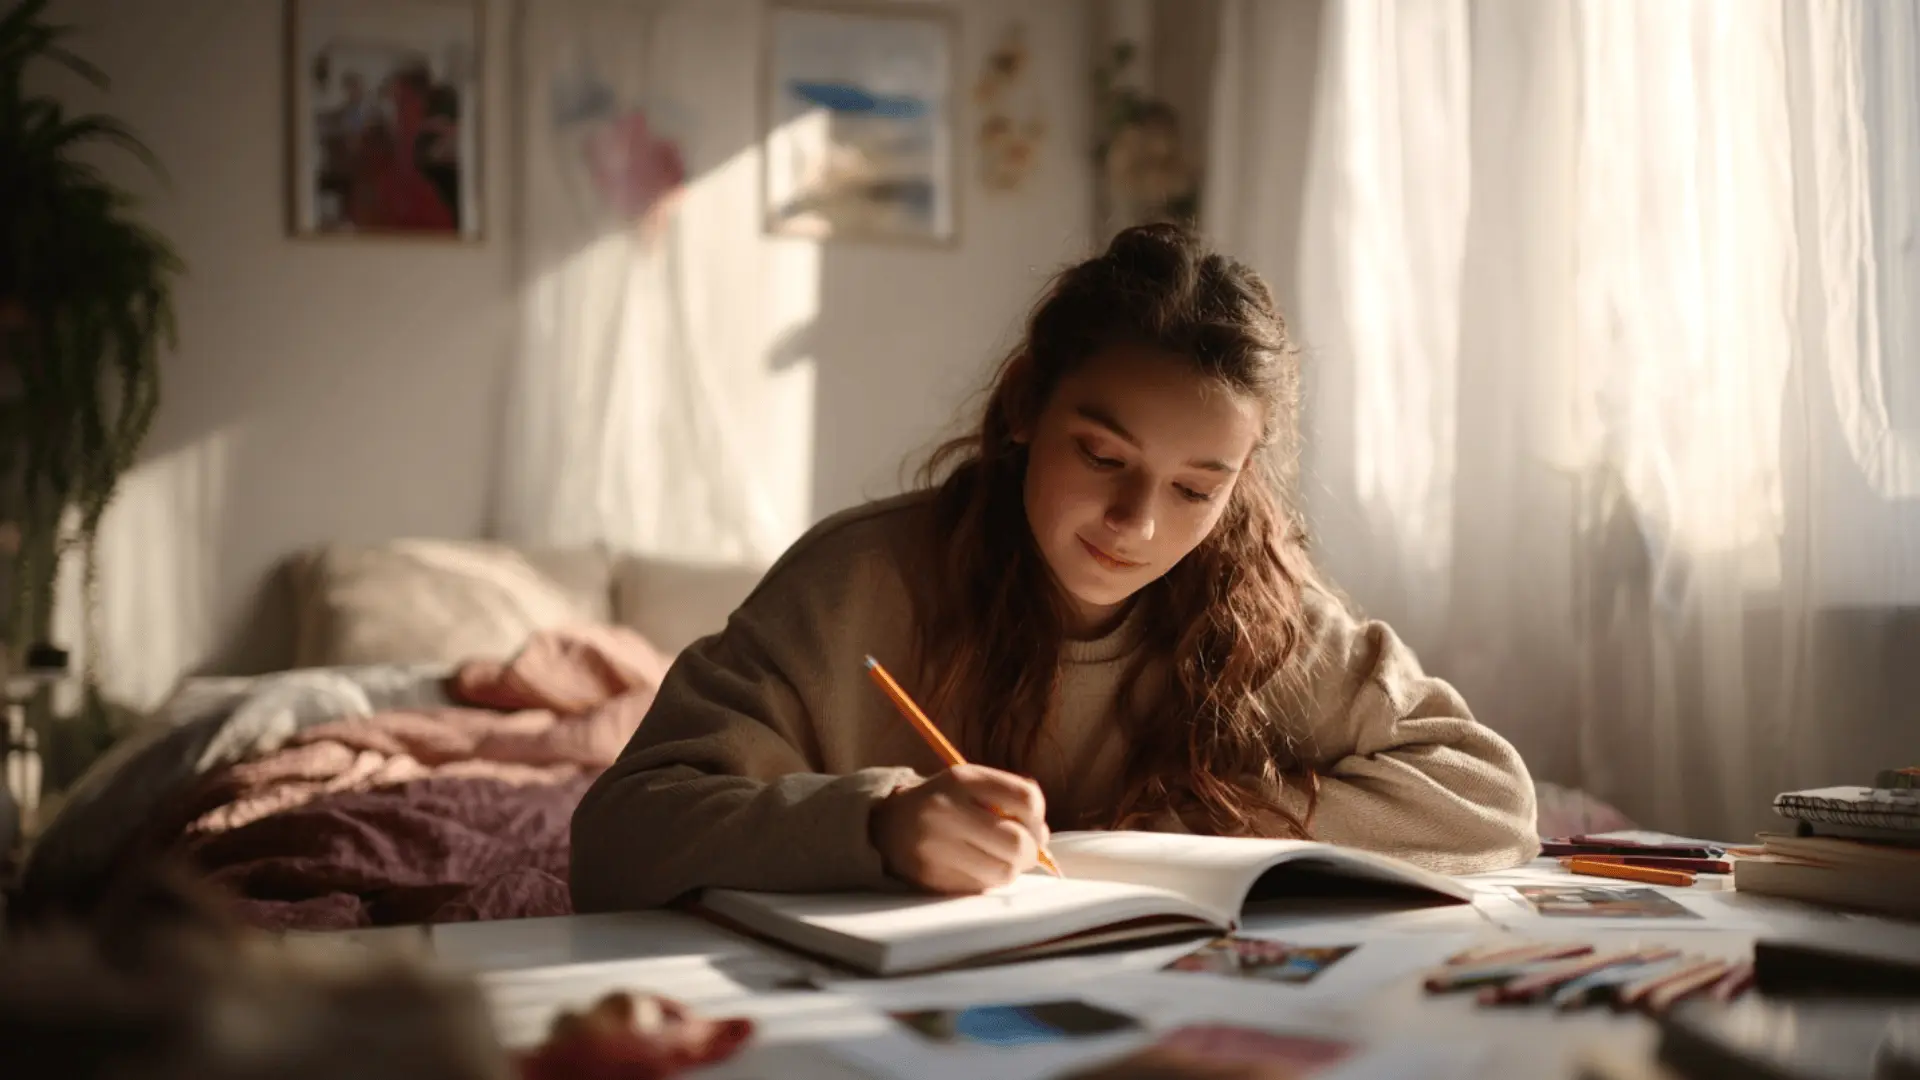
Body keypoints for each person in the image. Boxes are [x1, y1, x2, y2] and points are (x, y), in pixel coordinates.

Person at [570, 224, 1540, 911]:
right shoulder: (859, 584)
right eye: (1103, 457)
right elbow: (618, 837)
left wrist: (1208, 825)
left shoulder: (1255, 610)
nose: (1137, 523)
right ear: (1026, 405)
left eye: (1195, 489)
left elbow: (1489, 795)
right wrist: (881, 827)